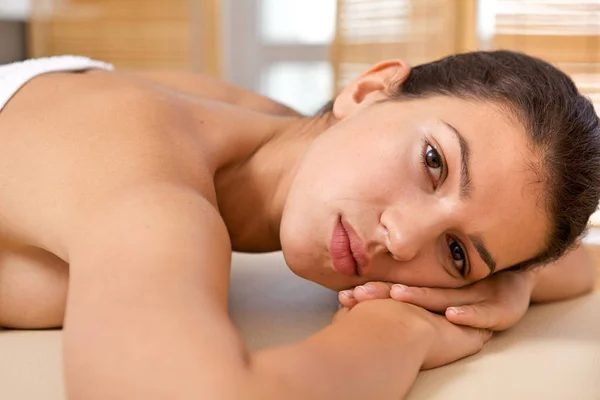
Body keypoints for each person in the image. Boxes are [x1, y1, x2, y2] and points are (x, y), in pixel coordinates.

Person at [0, 50, 598, 399]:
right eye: (434, 163)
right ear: (368, 90)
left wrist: (506, 284)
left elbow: (581, 263)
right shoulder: (145, 181)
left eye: (457, 252)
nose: (403, 239)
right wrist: (402, 329)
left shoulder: (265, 134)